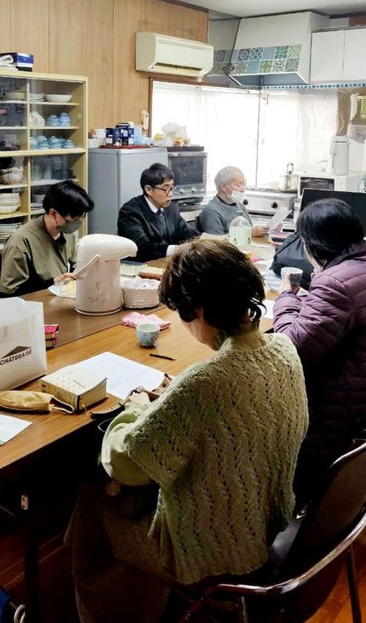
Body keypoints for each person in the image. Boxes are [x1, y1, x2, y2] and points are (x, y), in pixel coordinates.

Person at [68, 239, 308, 623]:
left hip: (211, 551)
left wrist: (136, 409)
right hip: (266, 523)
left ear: (196, 309)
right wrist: (174, 400)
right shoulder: (283, 348)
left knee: (91, 504)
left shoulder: (205, 382)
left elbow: (125, 464)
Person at [273, 198, 366, 500]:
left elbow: (290, 348)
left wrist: (286, 298)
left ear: (313, 244)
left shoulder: (336, 283)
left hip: (347, 418)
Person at [0, 181, 94, 296]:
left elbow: (76, 267)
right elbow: (8, 294)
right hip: (35, 303)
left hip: (59, 299)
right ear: (53, 214)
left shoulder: (66, 231)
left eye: (81, 218)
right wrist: (53, 282)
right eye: (74, 219)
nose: (77, 223)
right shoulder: (21, 242)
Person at [117, 163, 198, 261]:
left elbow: (186, 232)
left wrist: (206, 239)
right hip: (142, 265)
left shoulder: (172, 207)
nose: (171, 194)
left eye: (172, 188)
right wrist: (176, 249)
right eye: (166, 189)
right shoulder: (130, 211)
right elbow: (141, 246)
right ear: (149, 190)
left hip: (168, 262)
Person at [197, 166, 268, 236]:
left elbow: (250, 231)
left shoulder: (240, 207)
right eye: (238, 185)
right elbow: (215, 241)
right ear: (223, 187)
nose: (243, 189)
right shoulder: (211, 212)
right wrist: (246, 233)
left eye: (243, 184)